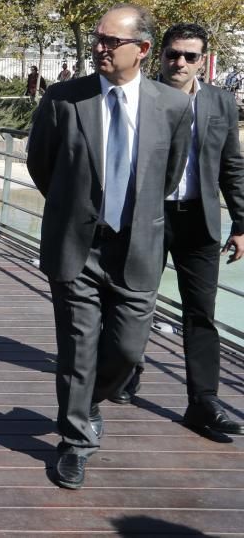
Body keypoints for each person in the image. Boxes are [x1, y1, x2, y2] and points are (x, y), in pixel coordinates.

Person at [26, 4, 192, 490]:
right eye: (98, 38)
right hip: (77, 246)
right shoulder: (64, 99)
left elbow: (169, 172)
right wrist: (75, 208)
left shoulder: (173, 107)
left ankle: (88, 399)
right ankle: (76, 440)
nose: (99, 47)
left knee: (127, 350)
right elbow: (43, 167)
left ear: (141, 50)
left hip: (137, 247)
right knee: (77, 348)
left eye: (110, 41)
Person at [109, 23, 244, 436]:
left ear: (202, 60)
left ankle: (203, 400)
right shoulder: (140, 96)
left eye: (189, 56)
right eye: (173, 54)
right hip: (147, 218)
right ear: (158, 54)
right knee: (134, 302)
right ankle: (125, 369)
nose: (179, 62)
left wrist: (240, 222)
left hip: (199, 221)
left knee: (201, 313)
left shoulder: (220, 103)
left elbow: (232, 165)